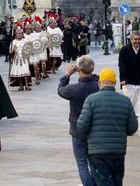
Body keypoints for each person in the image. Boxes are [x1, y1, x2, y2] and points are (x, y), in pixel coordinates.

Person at [77, 68, 138, 186]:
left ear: (100, 83)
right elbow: (132, 128)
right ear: (115, 83)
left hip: (97, 152)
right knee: (117, 182)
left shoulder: (91, 100)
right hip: (118, 152)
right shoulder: (125, 101)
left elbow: (81, 126)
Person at [57, 56, 99, 186]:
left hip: (77, 129)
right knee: (94, 162)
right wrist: (89, 71)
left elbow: (60, 90)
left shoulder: (73, 89)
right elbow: (98, 77)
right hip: (95, 130)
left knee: (81, 162)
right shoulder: (98, 86)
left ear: (79, 69)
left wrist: (67, 74)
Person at [118, 32, 140, 137]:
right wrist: (123, 79)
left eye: (138, 39)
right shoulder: (124, 50)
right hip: (129, 83)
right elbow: (121, 65)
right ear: (131, 40)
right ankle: (124, 128)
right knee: (128, 107)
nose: (137, 41)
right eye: (135, 39)